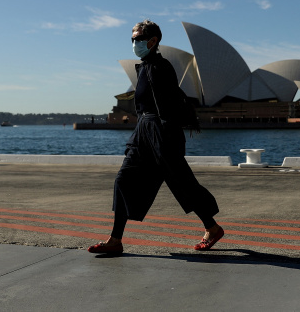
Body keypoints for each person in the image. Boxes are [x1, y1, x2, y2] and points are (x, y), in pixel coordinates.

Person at [88, 20, 223, 255]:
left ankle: (212, 228)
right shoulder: (144, 67)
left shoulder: (161, 67)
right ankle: (115, 239)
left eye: (138, 39)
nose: (134, 43)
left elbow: (167, 106)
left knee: (182, 183)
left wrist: (164, 138)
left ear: (153, 41)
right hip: (143, 132)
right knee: (124, 180)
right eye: (132, 39)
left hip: (161, 133)